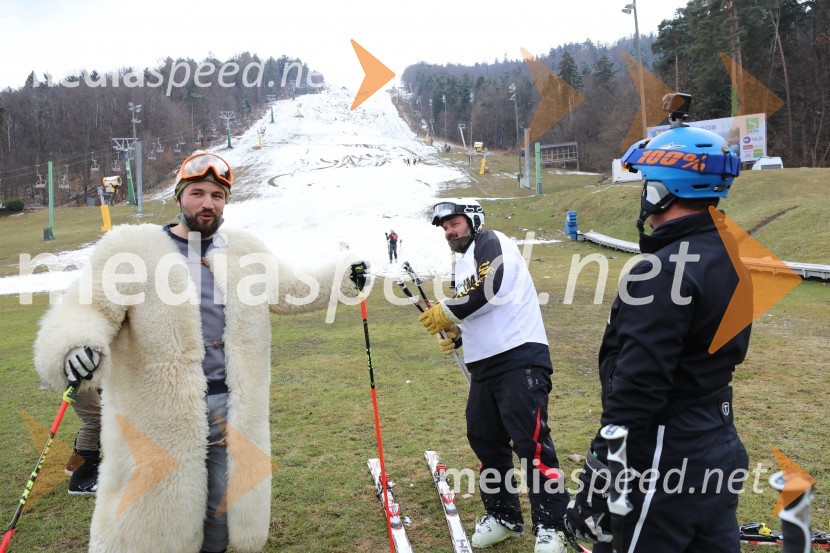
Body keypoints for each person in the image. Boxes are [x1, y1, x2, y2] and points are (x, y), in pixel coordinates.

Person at [34, 151, 367, 553]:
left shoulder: (245, 251)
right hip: (159, 412)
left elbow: (296, 289)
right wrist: (74, 345)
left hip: (234, 406)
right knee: (154, 517)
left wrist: (343, 277)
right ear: (179, 197)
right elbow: (87, 308)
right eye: (197, 193)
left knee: (223, 512)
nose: (207, 203)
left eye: (217, 195)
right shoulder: (132, 250)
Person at [564, 121, 749, 552]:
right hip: (716, 435)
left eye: (648, 181)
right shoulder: (730, 253)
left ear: (664, 187)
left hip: (666, 451)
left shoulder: (663, 269)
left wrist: (598, 474)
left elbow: (640, 385)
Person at [418, 199, 569, 553]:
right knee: (484, 438)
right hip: (484, 365)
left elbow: (492, 287)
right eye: (444, 227)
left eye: (453, 223)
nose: (449, 232)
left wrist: (447, 310)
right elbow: (474, 308)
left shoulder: (491, 241)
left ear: (472, 220)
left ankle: (552, 526)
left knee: (530, 443)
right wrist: (457, 333)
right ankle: (503, 516)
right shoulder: (462, 264)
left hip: (519, 357)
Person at [64, 387, 102, 495]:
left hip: (93, 372)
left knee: (109, 405)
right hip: (78, 375)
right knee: (95, 418)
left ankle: (74, 466)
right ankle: (83, 480)